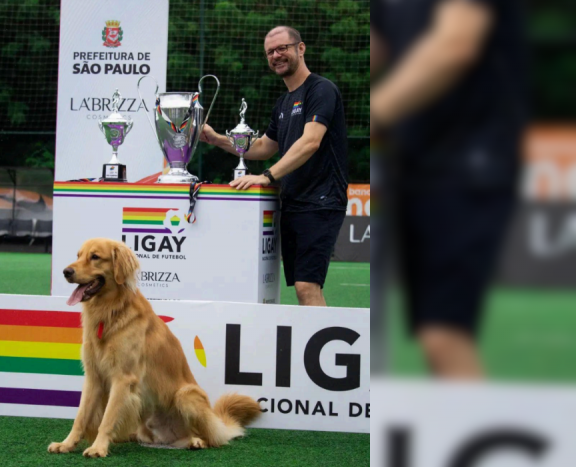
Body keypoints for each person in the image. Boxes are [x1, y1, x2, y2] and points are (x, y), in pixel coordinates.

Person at [371, 0, 526, 378]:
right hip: (412, 164)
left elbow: (455, 45)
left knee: (443, 333)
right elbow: (379, 46)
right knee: (421, 332)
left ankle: (481, 433)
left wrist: (377, 111)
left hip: (468, 163)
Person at [200, 26, 348, 307]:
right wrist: (216, 139)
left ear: (300, 48)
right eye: (270, 52)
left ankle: (324, 349)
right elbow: (262, 147)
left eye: (283, 48)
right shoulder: (283, 102)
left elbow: (310, 142)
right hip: (293, 203)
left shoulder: (321, 89)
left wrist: (267, 176)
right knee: (303, 287)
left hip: (321, 201)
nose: (276, 55)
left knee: (307, 286)